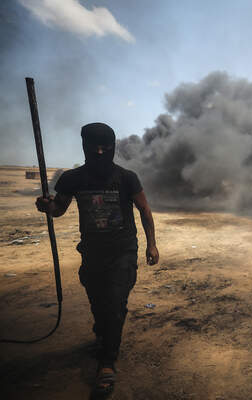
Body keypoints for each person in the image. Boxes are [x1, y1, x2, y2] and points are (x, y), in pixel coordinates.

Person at [35, 122, 159, 396]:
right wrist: (47, 206)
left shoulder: (127, 178)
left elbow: (144, 210)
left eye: (106, 147)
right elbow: (58, 209)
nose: (101, 152)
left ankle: (106, 362)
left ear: (113, 147)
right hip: (92, 252)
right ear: (84, 146)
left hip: (123, 251)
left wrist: (151, 245)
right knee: (99, 302)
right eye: (94, 147)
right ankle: (105, 333)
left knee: (115, 302)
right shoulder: (73, 178)